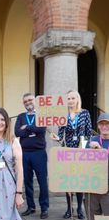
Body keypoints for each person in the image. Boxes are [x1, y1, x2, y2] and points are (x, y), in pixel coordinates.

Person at [50, 90, 92, 219]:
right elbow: (61, 134)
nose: (70, 101)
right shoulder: (63, 114)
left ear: (77, 99)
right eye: (68, 98)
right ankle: (69, 208)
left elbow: (89, 131)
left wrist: (83, 147)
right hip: (67, 152)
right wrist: (57, 138)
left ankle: (79, 208)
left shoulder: (85, 113)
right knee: (68, 182)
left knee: (79, 182)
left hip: (80, 152)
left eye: (73, 98)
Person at [14, 92, 49, 219]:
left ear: (35, 101)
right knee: (27, 181)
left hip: (39, 153)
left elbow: (41, 130)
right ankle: (31, 207)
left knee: (42, 182)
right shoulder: (21, 116)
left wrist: (27, 127)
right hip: (25, 153)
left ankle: (44, 208)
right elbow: (17, 132)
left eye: (30, 100)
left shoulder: (41, 115)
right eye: (25, 101)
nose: (28, 103)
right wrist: (33, 128)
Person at [84, 113, 109, 220]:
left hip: (107, 188)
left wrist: (101, 151)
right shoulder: (91, 141)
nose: (104, 127)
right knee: (92, 217)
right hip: (93, 187)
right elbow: (80, 163)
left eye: (107, 124)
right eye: (101, 124)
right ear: (98, 126)